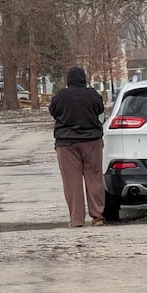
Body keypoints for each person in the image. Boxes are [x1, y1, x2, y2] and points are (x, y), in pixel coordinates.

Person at [48, 66, 106, 227]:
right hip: (92, 140)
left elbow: (53, 112)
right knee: (94, 177)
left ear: (68, 80)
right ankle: (97, 216)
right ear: (83, 79)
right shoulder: (93, 94)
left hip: (66, 143)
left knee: (71, 181)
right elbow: (99, 110)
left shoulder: (60, 96)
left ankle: (76, 219)